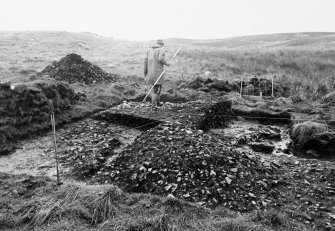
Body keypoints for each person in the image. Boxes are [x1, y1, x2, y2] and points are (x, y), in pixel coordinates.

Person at [144, 39, 170, 106]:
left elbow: (145, 61)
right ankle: (153, 106)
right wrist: (167, 63)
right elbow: (161, 59)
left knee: (157, 88)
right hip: (157, 73)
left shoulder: (149, 50)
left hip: (150, 73)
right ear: (162, 44)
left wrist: (145, 72)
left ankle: (158, 103)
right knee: (157, 89)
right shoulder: (161, 49)